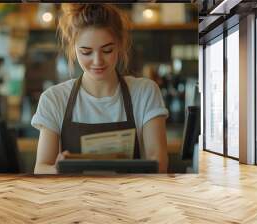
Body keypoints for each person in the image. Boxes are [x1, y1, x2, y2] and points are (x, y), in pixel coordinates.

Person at [31, 4, 168, 174]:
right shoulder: (54, 98)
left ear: (120, 45)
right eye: (86, 52)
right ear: (73, 48)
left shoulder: (145, 92)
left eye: (107, 50)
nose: (97, 61)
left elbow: (159, 164)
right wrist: (58, 170)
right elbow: (41, 167)